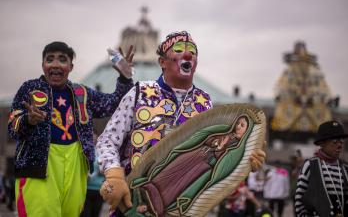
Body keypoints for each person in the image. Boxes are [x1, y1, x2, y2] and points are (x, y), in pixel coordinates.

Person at [96, 31, 266, 216]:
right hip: (131, 203)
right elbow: (108, 140)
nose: (187, 54)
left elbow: (217, 158)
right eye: (178, 49)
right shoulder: (140, 92)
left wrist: (243, 162)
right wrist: (114, 175)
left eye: (192, 51)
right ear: (162, 62)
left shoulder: (204, 102)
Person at [8, 41, 134, 217]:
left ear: (70, 66)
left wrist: (125, 78)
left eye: (62, 59)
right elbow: (12, 127)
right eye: (50, 59)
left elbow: (115, 104)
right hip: (38, 167)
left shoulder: (81, 93)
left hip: (76, 165)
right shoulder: (30, 88)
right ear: (43, 65)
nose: (56, 64)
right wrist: (28, 120)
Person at [294, 120, 348, 217]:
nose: (339, 145)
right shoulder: (310, 165)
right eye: (335, 142)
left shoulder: (345, 168)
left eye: (341, 142)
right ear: (322, 143)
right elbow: (299, 199)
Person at [80, 130, 105, 217]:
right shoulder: (84, 150)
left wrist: (103, 172)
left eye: (95, 136)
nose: (93, 138)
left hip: (99, 190)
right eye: (91, 136)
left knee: (96, 214)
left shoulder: (103, 151)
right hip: (86, 189)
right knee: (85, 214)